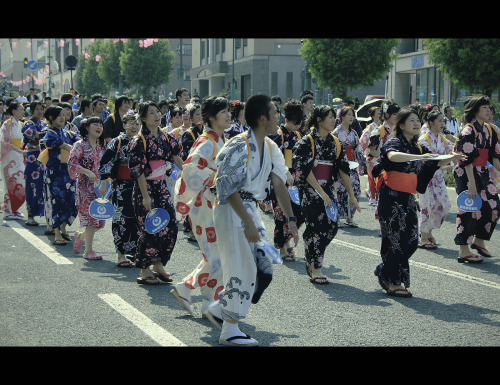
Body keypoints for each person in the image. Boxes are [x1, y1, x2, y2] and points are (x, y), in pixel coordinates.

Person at [213, 94, 298, 346]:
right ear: (263, 118)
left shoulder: (271, 147)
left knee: (264, 267)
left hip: (251, 210)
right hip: (231, 209)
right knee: (243, 267)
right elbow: (226, 187)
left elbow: (279, 183)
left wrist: (291, 219)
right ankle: (229, 329)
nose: (279, 116)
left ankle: (220, 308)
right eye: (275, 112)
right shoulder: (238, 145)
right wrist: (247, 222)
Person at [372, 107, 465, 297]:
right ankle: (393, 281)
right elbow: (392, 157)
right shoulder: (394, 142)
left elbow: (434, 160)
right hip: (391, 197)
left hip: (407, 198)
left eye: (417, 121)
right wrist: (419, 157)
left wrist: (452, 157)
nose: (416, 124)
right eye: (412, 120)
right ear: (402, 124)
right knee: (396, 240)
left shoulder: (418, 147)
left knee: (412, 241)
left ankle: (384, 271)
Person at [171, 96, 230, 321]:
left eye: (228, 112)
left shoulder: (218, 139)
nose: (228, 116)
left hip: (212, 203)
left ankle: (208, 305)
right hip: (206, 204)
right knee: (218, 256)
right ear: (212, 117)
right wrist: (216, 178)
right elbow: (191, 169)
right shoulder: (207, 141)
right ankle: (186, 287)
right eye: (223, 112)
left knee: (215, 255)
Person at [293, 105, 361, 285]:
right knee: (317, 227)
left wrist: (351, 195)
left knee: (331, 227)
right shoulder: (306, 142)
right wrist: (320, 192)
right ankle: (316, 268)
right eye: (329, 117)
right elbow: (305, 170)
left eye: (333, 117)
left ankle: (310, 250)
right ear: (318, 120)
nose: (333, 120)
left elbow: (343, 169)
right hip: (310, 189)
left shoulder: (335, 142)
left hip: (329, 189)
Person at [128, 101, 183, 285]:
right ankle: (145, 269)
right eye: (152, 113)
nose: (157, 115)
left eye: (158, 112)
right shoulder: (139, 140)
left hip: (162, 188)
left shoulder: (166, 138)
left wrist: (192, 175)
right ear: (143, 118)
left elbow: (176, 157)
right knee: (149, 228)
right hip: (147, 189)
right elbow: (138, 171)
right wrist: (145, 196)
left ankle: (159, 264)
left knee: (170, 225)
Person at [453, 94, 500, 263]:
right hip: (467, 172)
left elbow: (494, 157)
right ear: (475, 110)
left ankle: (479, 241)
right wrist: (471, 184)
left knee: (494, 205)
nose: (489, 110)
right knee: (469, 209)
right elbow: (466, 159)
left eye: (489, 107)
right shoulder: (468, 129)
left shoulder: (490, 129)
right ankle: (463, 249)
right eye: (484, 108)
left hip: (483, 171)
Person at [98, 112, 141, 267]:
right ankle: (121, 254)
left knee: (138, 218)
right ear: (123, 125)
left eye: (137, 123)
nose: (134, 127)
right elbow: (105, 162)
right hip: (121, 186)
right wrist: (104, 183)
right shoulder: (117, 142)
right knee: (121, 219)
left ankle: (136, 251)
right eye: (130, 123)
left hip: (139, 185)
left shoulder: (142, 141)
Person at [269, 99, 305, 261]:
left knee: (298, 213)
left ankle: (287, 241)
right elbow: (274, 158)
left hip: (296, 182)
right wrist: (286, 172)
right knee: (281, 214)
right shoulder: (278, 135)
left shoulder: (298, 135)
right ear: (287, 120)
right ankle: (282, 247)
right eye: (295, 123)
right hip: (280, 181)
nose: (297, 126)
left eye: (300, 123)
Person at [68, 117, 107, 260]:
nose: (99, 127)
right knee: (91, 218)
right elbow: (72, 164)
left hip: (100, 188)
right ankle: (88, 251)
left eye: (100, 125)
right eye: (95, 124)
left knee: (99, 221)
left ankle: (81, 235)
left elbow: (106, 165)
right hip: (85, 187)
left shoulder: (101, 146)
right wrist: (87, 171)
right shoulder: (79, 145)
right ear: (87, 128)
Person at [417, 109, 456, 249]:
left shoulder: (443, 139)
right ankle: (423, 237)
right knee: (426, 207)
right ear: (431, 123)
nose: (442, 123)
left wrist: (455, 157)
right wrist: (448, 161)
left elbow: (452, 151)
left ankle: (429, 232)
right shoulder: (423, 139)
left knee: (443, 205)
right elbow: (429, 161)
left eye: (443, 121)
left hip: (438, 179)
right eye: (439, 120)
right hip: (426, 178)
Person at [41, 105, 80, 245]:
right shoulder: (50, 132)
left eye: (64, 115)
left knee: (72, 201)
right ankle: (56, 232)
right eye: (60, 115)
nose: (63, 117)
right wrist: (72, 148)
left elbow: (78, 139)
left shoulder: (68, 133)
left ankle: (63, 228)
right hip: (56, 173)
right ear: (51, 118)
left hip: (69, 172)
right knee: (58, 201)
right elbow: (60, 144)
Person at [333, 105, 364, 228]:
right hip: (341, 165)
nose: (351, 117)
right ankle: (338, 218)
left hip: (352, 164)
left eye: (352, 115)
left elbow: (358, 148)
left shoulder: (354, 133)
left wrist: (362, 160)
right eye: (348, 115)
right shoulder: (336, 133)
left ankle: (350, 217)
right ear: (342, 117)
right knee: (340, 190)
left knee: (355, 189)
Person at [180, 103, 204, 241]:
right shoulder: (189, 134)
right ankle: (191, 230)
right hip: (193, 171)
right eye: (197, 114)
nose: (200, 117)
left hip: (205, 172)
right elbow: (188, 155)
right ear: (191, 117)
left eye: (202, 114)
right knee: (193, 201)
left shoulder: (207, 132)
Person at [21, 101, 46, 225]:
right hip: (32, 158)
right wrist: (48, 135)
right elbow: (36, 135)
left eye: (41, 109)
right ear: (31, 110)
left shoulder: (44, 124)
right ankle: (30, 216)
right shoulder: (27, 124)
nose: (39, 111)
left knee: (45, 186)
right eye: (37, 109)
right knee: (32, 186)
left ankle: (47, 215)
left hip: (44, 158)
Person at [1, 101, 26, 220]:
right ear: (14, 111)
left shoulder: (20, 124)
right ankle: (7, 209)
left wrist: (22, 151)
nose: (23, 111)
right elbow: (4, 142)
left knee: (20, 181)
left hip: (19, 155)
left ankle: (15, 207)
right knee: (10, 182)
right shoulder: (7, 124)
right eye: (21, 109)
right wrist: (19, 150)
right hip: (9, 156)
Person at [359, 106, 381, 205]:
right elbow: (363, 140)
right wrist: (366, 151)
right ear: (373, 116)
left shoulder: (383, 127)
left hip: (380, 154)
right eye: (378, 113)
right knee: (372, 176)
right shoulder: (371, 127)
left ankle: (370, 192)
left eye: (381, 112)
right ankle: (372, 197)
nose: (380, 114)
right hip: (372, 154)